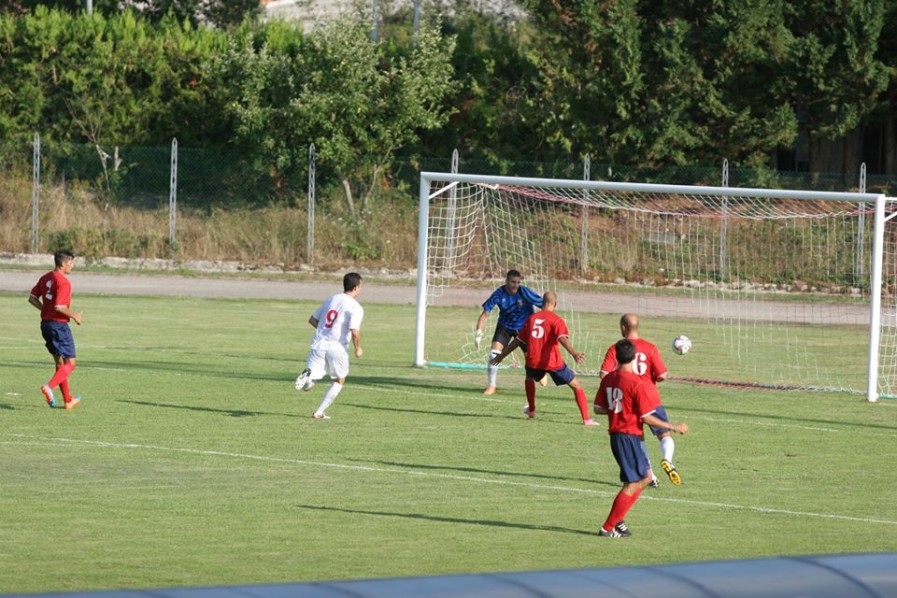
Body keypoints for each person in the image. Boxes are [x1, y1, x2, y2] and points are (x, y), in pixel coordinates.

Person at [593, 339, 688, 537]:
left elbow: (598, 408)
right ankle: (608, 527)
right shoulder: (637, 382)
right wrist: (673, 426)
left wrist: (618, 410)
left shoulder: (608, 379)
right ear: (634, 357)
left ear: (617, 357)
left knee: (645, 478)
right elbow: (646, 417)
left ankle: (617, 520)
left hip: (619, 436)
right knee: (632, 483)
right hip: (628, 436)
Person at [490, 291, 599, 426]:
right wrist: (573, 353)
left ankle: (531, 410)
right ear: (555, 304)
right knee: (576, 386)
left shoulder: (531, 319)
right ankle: (586, 419)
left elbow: (517, 341)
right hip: (553, 362)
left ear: (542, 303)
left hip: (533, 361)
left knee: (529, 378)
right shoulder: (556, 320)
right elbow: (562, 338)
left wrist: (501, 356)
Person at [599, 313, 681, 486]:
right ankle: (667, 459)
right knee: (664, 434)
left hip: (627, 401)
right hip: (650, 398)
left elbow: (604, 374)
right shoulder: (650, 348)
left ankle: (651, 477)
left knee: (638, 438)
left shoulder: (617, 348)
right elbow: (662, 375)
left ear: (623, 327)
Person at [294, 272, 364, 420]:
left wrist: (325, 331)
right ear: (357, 287)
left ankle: (307, 379)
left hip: (318, 345)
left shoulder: (331, 299)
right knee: (339, 380)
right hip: (337, 348)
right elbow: (355, 331)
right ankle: (319, 412)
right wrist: (358, 348)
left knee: (310, 384)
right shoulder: (355, 307)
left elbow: (312, 320)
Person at [475, 269, 544, 395]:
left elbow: (544, 304)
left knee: (531, 357)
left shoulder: (525, 292)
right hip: (505, 327)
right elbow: (485, 314)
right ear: (507, 281)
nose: (515, 285)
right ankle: (491, 386)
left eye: (518, 282)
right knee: (494, 353)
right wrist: (478, 333)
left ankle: (540, 373)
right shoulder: (499, 294)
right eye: (513, 282)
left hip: (524, 328)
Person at [29, 250, 82, 410]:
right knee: (71, 364)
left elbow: (32, 298)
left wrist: (45, 310)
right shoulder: (64, 282)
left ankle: (68, 400)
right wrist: (75, 316)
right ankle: (49, 387)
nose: (72, 265)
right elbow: (60, 307)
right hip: (59, 326)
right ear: (64, 263)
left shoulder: (46, 277)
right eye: (71, 262)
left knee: (60, 364)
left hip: (45, 324)